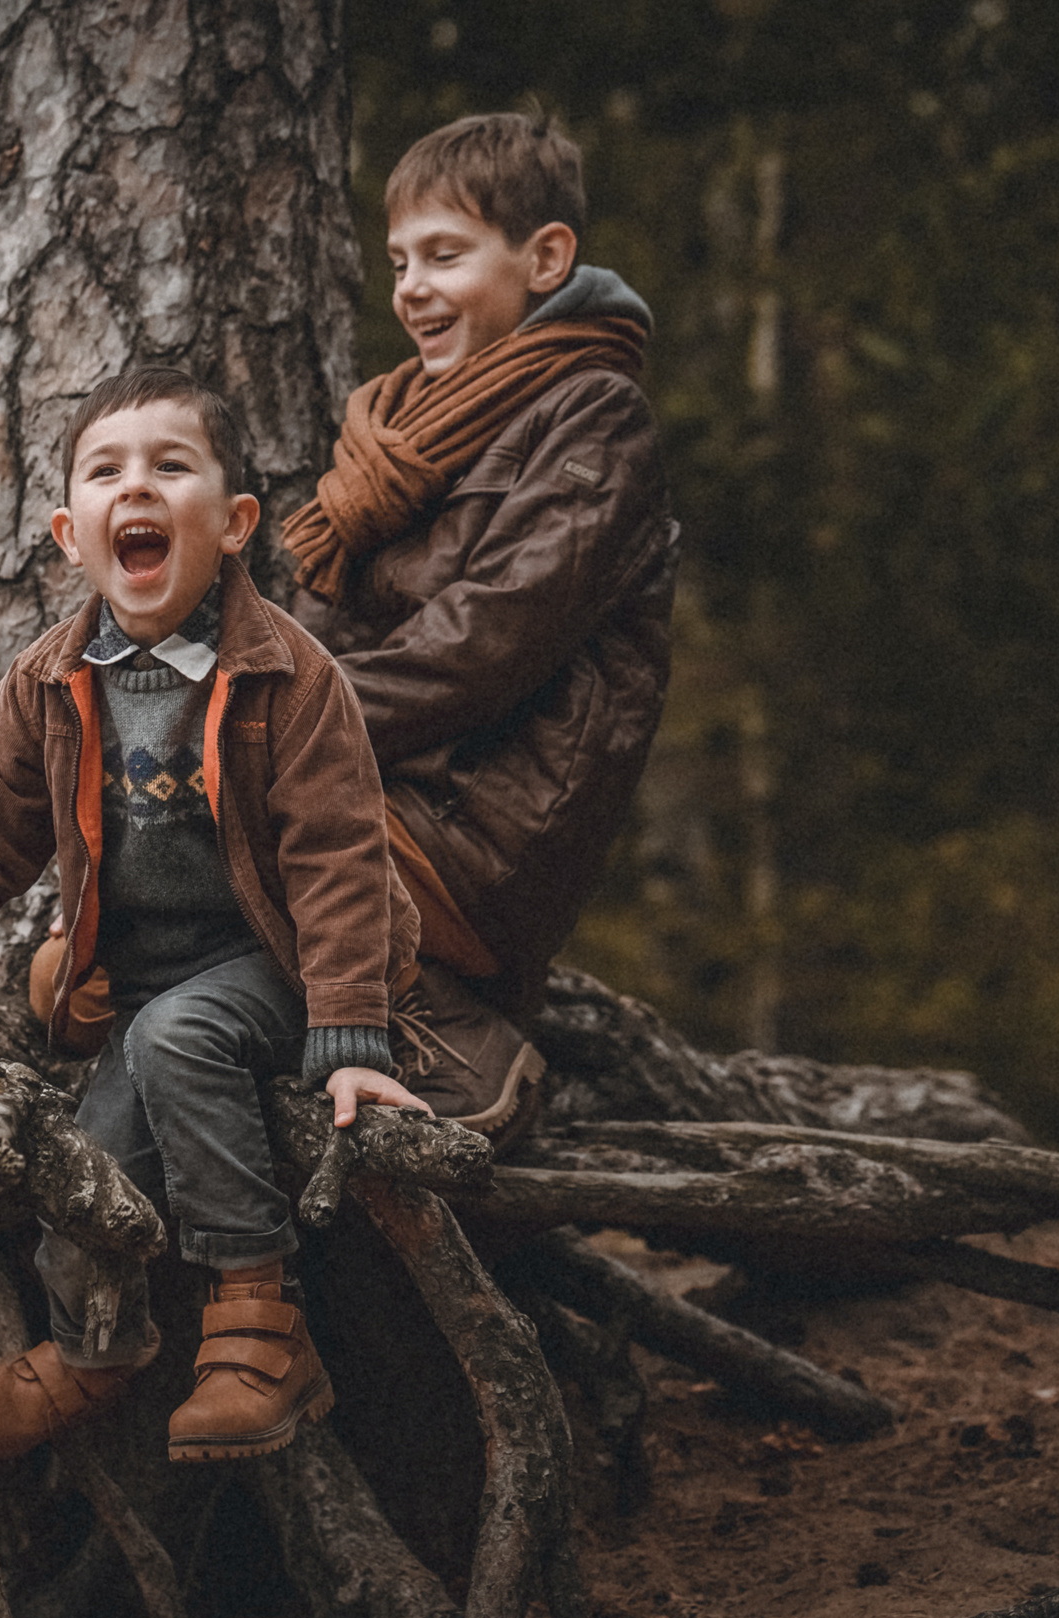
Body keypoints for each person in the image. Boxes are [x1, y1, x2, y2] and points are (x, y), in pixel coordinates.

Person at [0, 367, 427, 1464]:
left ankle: (261, 1325)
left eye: (172, 467)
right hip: (142, 982)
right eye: (108, 471)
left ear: (233, 524)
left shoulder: (288, 677)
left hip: (281, 959)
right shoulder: (48, 680)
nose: (141, 487)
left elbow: (339, 859)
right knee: (88, 1161)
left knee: (184, 1035)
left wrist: (350, 1031)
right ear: (71, 533)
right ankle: (95, 1346)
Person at [281, 110, 679, 1147]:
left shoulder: (593, 415)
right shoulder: (399, 441)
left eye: (444, 255)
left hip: (482, 827)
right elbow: (316, 628)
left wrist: (260, 716)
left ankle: (459, 1040)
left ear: (545, 258)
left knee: (217, 813)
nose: (411, 286)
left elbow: (485, 643)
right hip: (388, 789)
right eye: (400, 259)